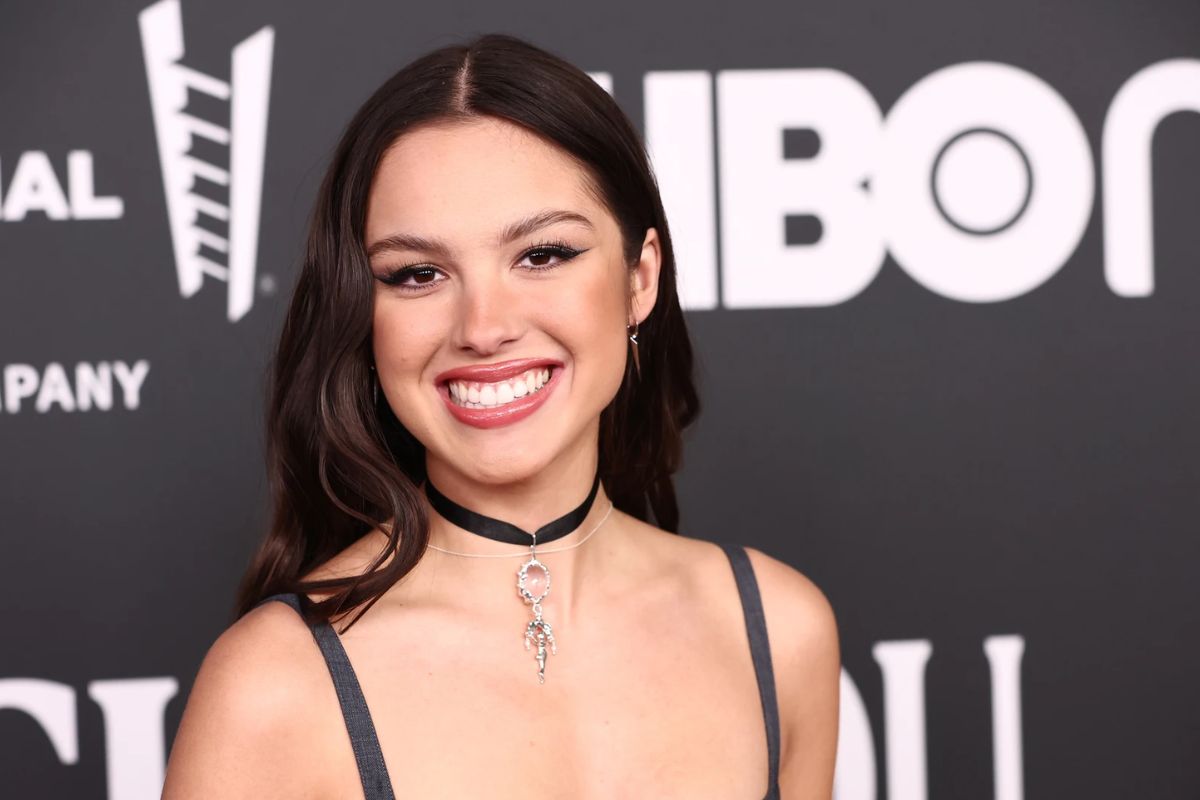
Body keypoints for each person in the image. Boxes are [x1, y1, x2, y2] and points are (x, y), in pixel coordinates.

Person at [161, 32, 840, 799]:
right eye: (418, 273)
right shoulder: (272, 687)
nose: (483, 328)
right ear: (362, 317)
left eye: (542, 255)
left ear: (640, 279)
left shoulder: (778, 631)